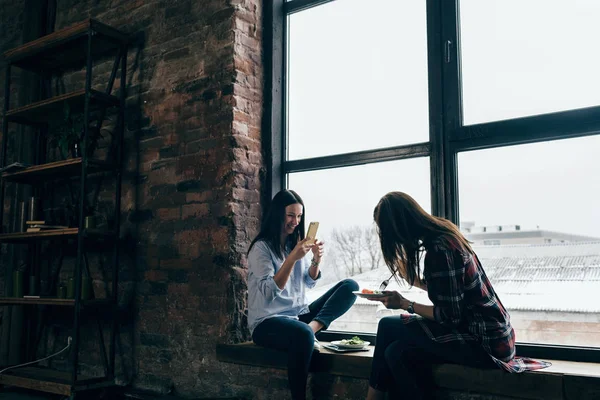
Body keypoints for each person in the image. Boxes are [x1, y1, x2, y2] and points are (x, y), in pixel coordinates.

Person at [365, 192, 551, 400]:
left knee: (388, 326)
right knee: (396, 353)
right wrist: (415, 281)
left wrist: (404, 303)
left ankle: (371, 398)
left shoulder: (439, 249)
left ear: (400, 228)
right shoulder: (445, 236)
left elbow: (450, 316)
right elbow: (454, 294)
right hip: (495, 337)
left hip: (483, 342)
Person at [247, 189, 359, 400]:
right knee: (302, 334)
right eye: (291, 215)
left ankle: (311, 328)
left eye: (299, 216)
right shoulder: (261, 249)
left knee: (350, 286)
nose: (295, 221)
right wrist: (291, 259)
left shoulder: (294, 244)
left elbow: (308, 281)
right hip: (266, 323)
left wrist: (316, 259)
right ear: (278, 214)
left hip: (297, 316)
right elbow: (269, 292)